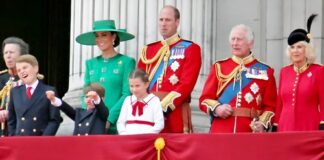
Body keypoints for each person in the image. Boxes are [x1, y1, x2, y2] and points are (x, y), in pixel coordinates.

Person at [199, 24, 277, 133]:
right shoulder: (219, 67)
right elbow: (204, 100)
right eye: (233, 39)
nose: (235, 43)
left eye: (239, 39)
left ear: (250, 43)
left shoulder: (265, 71)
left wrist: (262, 124)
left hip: (249, 132)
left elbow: (270, 107)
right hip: (221, 131)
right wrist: (217, 108)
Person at [137, 5, 202, 133]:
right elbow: (138, 80)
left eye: (168, 20)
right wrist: (144, 105)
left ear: (177, 22)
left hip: (174, 111)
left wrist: (162, 107)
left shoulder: (190, 48)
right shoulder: (149, 50)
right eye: (161, 20)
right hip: (148, 111)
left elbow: (186, 84)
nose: (163, 24)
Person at [76, 19, 135, 134]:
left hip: (116, 124)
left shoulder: (127, 62)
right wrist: (86, 115)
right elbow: (85, 94)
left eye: (104, 35)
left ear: (113, 37)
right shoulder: (90, 63)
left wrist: (109, 118)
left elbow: (127, 94)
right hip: (92, 123)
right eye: (97, 36)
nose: (99, 39)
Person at [274, 14, 324, 131]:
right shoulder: (284, 71)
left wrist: (323, 123)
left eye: (299, 47)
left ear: (307, 49)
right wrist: (275, 124)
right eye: (292, 47)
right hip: (285, 126)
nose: (295, 51)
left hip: (310, 126)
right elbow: (279, 103)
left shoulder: (319, 71)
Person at [7, 54, 61, 136]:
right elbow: (11, 120)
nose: (21, 71)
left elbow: (54, 120)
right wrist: (13, 138)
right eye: (19, 70)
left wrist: (44, 140)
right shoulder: (14, 92)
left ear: (36, 68)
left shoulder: (49, 91)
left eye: (25, 67)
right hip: (19, 141)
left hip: (39, 142)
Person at [117, 69, 164, 135]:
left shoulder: (154, 100)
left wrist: (146, 135)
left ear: (146, 84)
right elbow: (120, 122)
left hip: (147, 139)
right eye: (131, 86)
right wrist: (124, 134)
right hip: (128, 139)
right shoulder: (128, 100)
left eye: (137, 86)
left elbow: (160, 124)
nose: (134, 89)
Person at [0, 37, 29, 136]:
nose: (8, 56)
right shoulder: (1, 78)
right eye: (6, 53)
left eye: (11, 52)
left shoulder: (31, 79)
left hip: (20, 131)